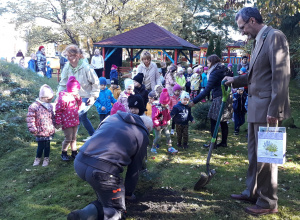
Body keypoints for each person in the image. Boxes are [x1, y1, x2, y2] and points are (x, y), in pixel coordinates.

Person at [224, 7, 290, 216]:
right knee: (254, 155)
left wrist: (275, 109)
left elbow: (281, 76)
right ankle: (251, 191)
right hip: (254, 108)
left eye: (242, 27)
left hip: (267, 110)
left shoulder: (275, 37)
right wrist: (235, 80)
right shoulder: (258, 41)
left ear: (252, 20)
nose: (242, 32)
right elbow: (257, 76)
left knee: (267, 158)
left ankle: (268, 202)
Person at [68, 111, 153, 220]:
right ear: (147, 128)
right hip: (102, 171)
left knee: (105, 196)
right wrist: (128, 193)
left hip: (80, 161)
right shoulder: (142, 133)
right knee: (117, 209)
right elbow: (134, 169)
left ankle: (85, 213)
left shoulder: (113, 117)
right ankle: (86, 215)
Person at [57, 44, 100, 142]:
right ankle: (93, 135)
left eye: (70, 56)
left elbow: (95, 82)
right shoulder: (67, 66)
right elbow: (63, 83)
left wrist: (93, 96)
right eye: (67, 56)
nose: (68, 58)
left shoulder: (86, 67)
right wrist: (58, 96)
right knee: (82, 117)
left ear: (77, 56)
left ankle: (71, 138)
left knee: (78, 114)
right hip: (72, 96)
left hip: (86, 95)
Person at [189, 54, 232, 148]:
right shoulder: (224, 69)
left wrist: (194, 101)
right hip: (228, 96)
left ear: (212, 63)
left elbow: (206, 90)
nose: (207, 65)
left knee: (213, 120)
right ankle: (224, 142)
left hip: (219, 98)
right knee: (223, 121)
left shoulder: (215, 72)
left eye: (208, 63)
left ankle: (213, 144)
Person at [26, 84, 55, 167]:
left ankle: (46, 158)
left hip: (48, 129)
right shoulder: (34, 106)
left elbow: (52, 116)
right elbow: (30, 118)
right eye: (49, 99)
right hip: (39, 130)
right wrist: (33, 128)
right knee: (40, 146)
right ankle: (38, 158)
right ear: (42, 97)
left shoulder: (50, 106)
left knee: (47, 145)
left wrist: (55, 123)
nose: (50, 100)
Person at [55, 76, 82, 161]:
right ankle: (64, 153)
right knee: (68, 138)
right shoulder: (63, 97)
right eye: (76, 90)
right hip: (67, 121)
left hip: (74, 119)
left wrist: (78, 99)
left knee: (74, 138)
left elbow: (79, 104)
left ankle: (74, 152)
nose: (77, 91)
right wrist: (58, 121)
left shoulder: (74, 96)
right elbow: (58, 110)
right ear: (71, 90)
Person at [151, 88, 178, 154]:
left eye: (166, 104)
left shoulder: (166, 107)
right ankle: (153, 147)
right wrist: (157, 125)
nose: (165, 105)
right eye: (164, 104)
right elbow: (154, 118)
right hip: (158, 126)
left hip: (164, 124)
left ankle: (170, 147)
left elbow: (168, 114)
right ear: (161, 102)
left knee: (168, 135)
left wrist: (168, 120)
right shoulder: (157, 108)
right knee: (158, 137)